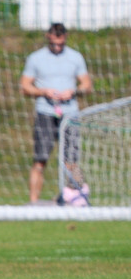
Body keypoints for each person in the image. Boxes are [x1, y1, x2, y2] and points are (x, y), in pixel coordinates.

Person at [20, 22, 93, 205]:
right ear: (48, 38)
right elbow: (25, 86)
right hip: (46, 113)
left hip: (70, 115)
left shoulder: (75, 57)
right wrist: (43, 91)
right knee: (40, 159)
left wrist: (74, 91)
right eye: (54, 44)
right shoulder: (35, 58)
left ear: (66, 38)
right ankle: (33, 203)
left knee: (72, 161)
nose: (57, 47)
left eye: (61, 44)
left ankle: (76, 197)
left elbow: (87, 85)